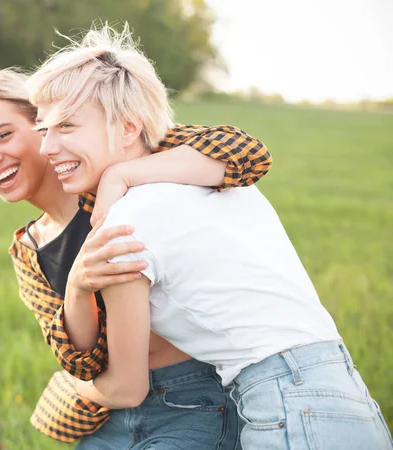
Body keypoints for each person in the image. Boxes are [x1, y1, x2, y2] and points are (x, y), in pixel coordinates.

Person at [26, 23, 393, 449]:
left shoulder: (124, 222)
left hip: (285, 404)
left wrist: (71, 388)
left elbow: (127, 389)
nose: (47, 147)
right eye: (43, 130)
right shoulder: (217, 178)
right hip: (343, 391)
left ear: (129, 128)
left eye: (67, 126)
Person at [0, 66, 272, 446]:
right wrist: (78, 288)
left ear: (44, 125)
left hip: (196, 398)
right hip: (111, 415)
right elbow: (82, 361)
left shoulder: (116, 172)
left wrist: (123, 176)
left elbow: (245, 152)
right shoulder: (28, 252)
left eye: (3, 135)